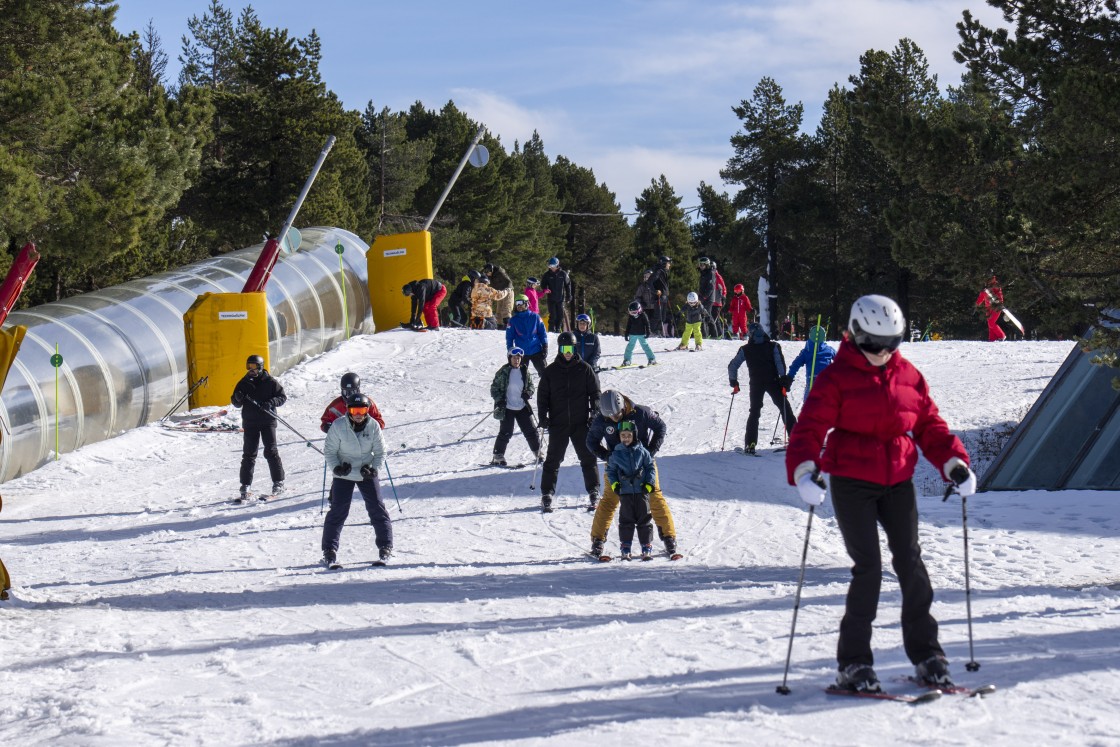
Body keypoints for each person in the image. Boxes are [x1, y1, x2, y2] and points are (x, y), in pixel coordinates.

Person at [785, 294, 977, 694]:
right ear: (855, 336)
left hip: (898, 480)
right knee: (868, 569)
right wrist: (805, 470)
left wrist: (953, 463)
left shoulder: (908, 375)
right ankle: (853, 664)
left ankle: (928, 656)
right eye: (874, 343)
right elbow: (809, 429)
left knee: (911, 563)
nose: (883, 352)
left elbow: (930, 426)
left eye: (892, 342)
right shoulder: (836, 378)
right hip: (852, 481)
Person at [587, 389, 679, 559]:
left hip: (643, 463)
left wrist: (650, 452)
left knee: (655, 497)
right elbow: (591, 442)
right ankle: (597, 540)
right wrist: (608, 457)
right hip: (616, 467)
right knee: (609, 500)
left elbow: (660, 426)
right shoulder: (602, 419)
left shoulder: (641, 413)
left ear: (622, 406)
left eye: (616, 415)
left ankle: (669, 537)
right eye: (610, 417)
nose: (614, 419)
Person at [322, 393, 393, 567]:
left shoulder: (373, 426)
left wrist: (373, 469)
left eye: (362, 410)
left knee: (377, 507)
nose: (358, 414)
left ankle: (385, 547)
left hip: (365, 472)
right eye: (355, 410)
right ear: (348, 410)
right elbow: (330, 451)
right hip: (344, 474)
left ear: (367, 410)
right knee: (338, 511)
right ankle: (329, 551)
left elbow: (381, 452)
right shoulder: (338, 426)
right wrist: (337, 467)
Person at [536, 330, 600, 513]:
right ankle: (547, 493)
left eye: (570, 348)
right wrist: (543, 416)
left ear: (575, 348)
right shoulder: (551, 371)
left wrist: (593, 413)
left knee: (588, 458)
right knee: (553, 460)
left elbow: (595, 393)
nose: (568, 352)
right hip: (559, 423)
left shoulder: (585, 369)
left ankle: (594, 491)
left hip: (581, 423)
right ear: (559, 349)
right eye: (564, 348)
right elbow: (543, 396)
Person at [727, 322, 796, 454]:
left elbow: (732, 366)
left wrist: (734, 382)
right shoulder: (773, 346)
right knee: (784, 408)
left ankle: (750, 445)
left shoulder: (745, 349)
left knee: (754, 412)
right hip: (774, 381)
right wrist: (783, 381)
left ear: (751, 334)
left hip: (756, 384)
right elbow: (779, 363)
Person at [231, 354, 286, 499]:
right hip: (250, 422)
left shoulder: (270, 382)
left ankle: (278, 482)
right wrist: (237, 398)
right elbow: (235, 402)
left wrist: (271, 402)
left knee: (271, 451)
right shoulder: (243, 382)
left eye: (254, 367)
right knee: (249, 454)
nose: (251, 370)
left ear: (260, 367)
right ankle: (245, 485)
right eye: (248, 366)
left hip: (267, 420)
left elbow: (282, 397)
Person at [605, 420, 656, 561]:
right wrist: (615, 484)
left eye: (628, 435)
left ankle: (646, 546)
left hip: (641, 492)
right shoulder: (616, 454)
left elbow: (650, 467)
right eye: (623, 436)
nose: (626, 438)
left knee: (644, 519)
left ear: (634, 435)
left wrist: (649, 483)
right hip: (626, 492)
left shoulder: (642, 451)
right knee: (626, 520)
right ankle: (625, 547)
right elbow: (611, 471)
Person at [489, 347, 543, 466]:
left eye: (519, 358)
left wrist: (528, 393)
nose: (516, 360)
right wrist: (499, 400)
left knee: (531, 431)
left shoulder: (524, 371)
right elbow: (494, 388)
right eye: (514, 358)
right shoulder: (503, 372)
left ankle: (538, 452)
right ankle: (498, 455)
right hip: (507, 407)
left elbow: (531, 386)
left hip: (522, 406)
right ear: (510, 358)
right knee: (506, 432)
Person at [320, 372, 385, 433]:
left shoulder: (367, 403)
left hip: (365, 438)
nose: (348, 396)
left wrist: (368, 427)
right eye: (346, 392)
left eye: (352, 392)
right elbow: (325, 420)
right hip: (343, 438)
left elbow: (380, 422)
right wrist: (327, 427)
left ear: (358, 390)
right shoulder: (335, 406)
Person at [786, 325, 836, 401]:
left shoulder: (806, 351)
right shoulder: (829, 350)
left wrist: (790, 376)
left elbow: (795, 365)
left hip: (814, 379)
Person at [505, 295, 549, 375]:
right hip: (521, 352)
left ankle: (547, 387)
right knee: (520, 375)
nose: (519, 306)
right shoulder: (513, 321)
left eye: (521, 303)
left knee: (545, 373)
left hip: (536, 350)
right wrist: (510, 352)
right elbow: (509, 338)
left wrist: (545, 345)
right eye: (517, 303)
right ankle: (523, 387)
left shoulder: (535, 317)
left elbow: (542, 333)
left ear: (527, 304)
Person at [622, 300, 657, 367]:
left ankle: (652, 359)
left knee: (645, 347)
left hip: (641, 334)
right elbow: (628, 325)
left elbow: (647, 324)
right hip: (632, 334)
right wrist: (626, 334)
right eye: (631, 313)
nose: (633, 314)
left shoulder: (643, 315)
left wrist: (648, 332)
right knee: (630, 347)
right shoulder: (631, 317)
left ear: (639, 310)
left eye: (634, 312)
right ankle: (627, 360)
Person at [542, 257, 572, 332]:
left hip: (560, 299)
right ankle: (551, 329)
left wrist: (569, 295)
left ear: (557, 265)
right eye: (550, 266)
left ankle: (558, 329)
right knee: (553, 315)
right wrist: (545, 289)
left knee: (560, 315)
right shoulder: (547, 275)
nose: (552, 268)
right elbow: (543, 284)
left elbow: (568, 285)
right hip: (551, 299)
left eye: (553, 266)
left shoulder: (563, 274)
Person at [483, 262, 514, 329]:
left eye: (488, 271)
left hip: (507, 291)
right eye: (486, 272)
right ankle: (500, 325)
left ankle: (508, 325)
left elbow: (508, 281)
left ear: (491, 269)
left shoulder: (500, 272)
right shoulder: (490, 276)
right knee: (499, 310)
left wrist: (507, 289)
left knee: (506, 308)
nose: (487, 273)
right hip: (500, 292)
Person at [975, 276, 1007, 341]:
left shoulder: (996, 286)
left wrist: (999, 302)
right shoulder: (985, 287)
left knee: (991, 323)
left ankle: (1002, 336)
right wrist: (977, 303)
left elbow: (1000, 296)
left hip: (996, 307)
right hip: (988, 308)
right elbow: (982, 296)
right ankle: (992, 338)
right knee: (990, 323)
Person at [650, 256, 672, 336]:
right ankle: (651, 331)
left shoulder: (664, 272)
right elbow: (650, 283)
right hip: (658, 297)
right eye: (668, 263)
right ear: (664, 263)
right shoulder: (658, 271)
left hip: (664, 297)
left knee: (663, 317)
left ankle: (657, 331)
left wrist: (667, 292)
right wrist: (655, 291)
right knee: (657, 316)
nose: (669, 265)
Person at [710, 260, 728, 338]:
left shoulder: (718, 276)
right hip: (711, 301)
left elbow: (723, 288)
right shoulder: (709, 276)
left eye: (712, 268)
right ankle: (713, 334)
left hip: (717, 301)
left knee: (715, 319)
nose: (711, 269)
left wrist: (723, 297)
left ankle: (719, 334)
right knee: (711, 319)